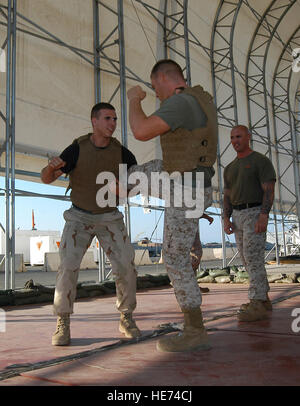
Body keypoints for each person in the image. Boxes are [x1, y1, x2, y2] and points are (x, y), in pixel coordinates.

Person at [127, 59, 218, 352]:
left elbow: (141, 130)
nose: (156, 95)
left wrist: (133, 100)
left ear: (165, 78)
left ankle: (195, 331)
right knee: (146, 169)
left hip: (184, 187)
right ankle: (116, 186)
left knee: (175, 258)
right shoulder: (201, 100)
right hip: (191, 185)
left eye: (155, 88)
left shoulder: (181, 102)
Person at [41, 102, 141, 346]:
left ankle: (126, 317)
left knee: (126, 267)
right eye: (107, 118)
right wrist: (50, 167)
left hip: (109, 216)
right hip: (79, 216)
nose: (113, 123)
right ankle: (62, 322)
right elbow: (46, 178)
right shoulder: (76, 149)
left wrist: (127, 189)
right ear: (94, 121)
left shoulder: (123, 154)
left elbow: (137, 185)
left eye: (115, 119)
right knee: (67, 266)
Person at [223, 125, 276, 322]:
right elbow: (227, 195)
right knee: (246, 259)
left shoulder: (260, 161)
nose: (235, 140)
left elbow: (268, 190)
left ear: (248, 137)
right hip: (237, 215)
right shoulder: (229, 168)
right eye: (232, 137)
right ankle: (263, 300)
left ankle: (257, 300)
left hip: (254, 212)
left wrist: (264, 215)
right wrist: (226, 218)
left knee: (253, 258)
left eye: (239, 136)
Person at [191, 214, 214, 294]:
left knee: (193, 258)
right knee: (194, 256)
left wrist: (207, 217)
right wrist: (207, 217)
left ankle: (193, 286)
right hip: (188, 231)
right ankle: (191, 286)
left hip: (189, 231)